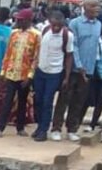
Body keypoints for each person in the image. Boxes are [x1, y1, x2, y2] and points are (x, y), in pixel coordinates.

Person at [53, 0, 102, 142]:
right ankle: (56, 128)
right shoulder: (75, 23)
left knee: (79, 101)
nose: (97, 9)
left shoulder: (98, 24)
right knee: (64, 98)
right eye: (93, 6)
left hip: (89, 69)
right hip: (74, 69)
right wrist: (79, 66)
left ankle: (72, 129)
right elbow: (74, 46)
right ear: (85, 7)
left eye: (98, 6)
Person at [0, 8, 40, 138]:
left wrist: (30, 76)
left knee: (22, 102)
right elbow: (8, 53)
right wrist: (3, 71)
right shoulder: (13, 33)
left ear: (28, 20)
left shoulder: (36, 35)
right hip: (11, 72)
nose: (18, 22)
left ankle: (20, 127)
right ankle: (0, 127)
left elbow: (36, 58)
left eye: (20, 20)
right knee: (7, 101)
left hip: (25, 74)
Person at [31, 9, 73, 142]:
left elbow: (69, 56)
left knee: (47, 101)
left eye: (58, 25)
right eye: (53, 24)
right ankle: (39, 127)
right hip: (40, 70)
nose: (55, 28)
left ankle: (44, 130)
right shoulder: (44, 30)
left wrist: (66, 77)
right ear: (49, 22)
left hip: (55, 73)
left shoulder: (68, 35)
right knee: (37, 100)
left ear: (62, 23)